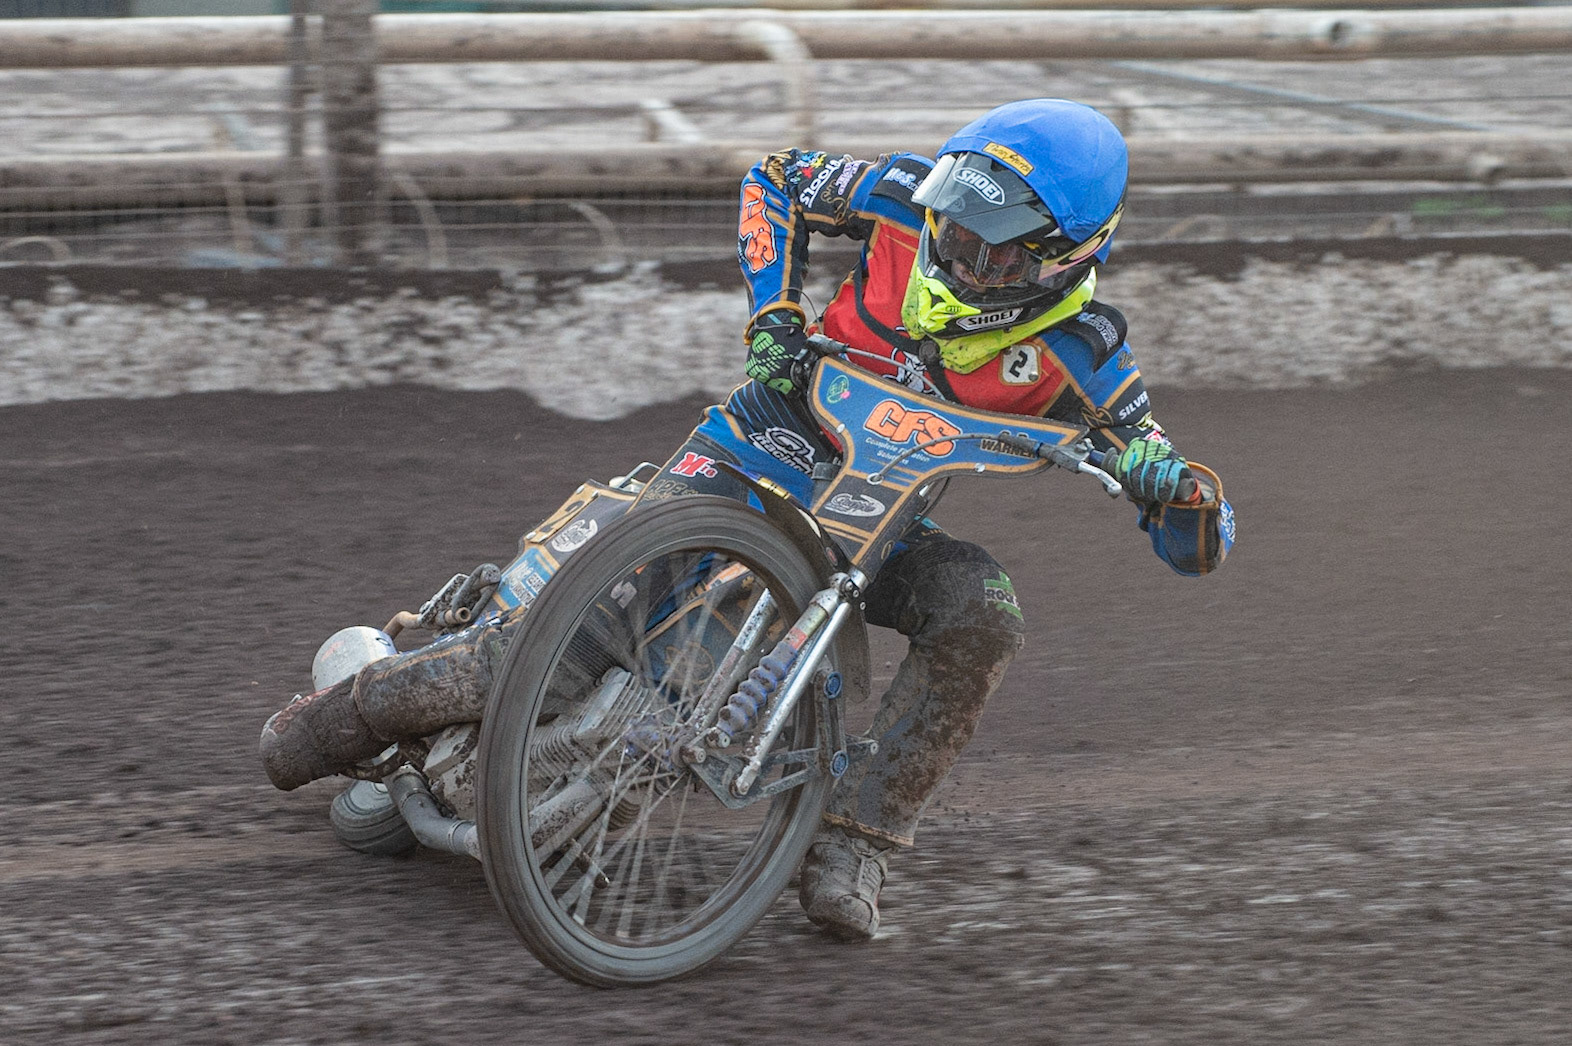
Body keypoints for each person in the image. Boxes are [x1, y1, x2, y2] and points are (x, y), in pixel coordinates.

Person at [260, 98, 1234, 943]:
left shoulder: (1088, 352)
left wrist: (1170, 486)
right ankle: (334, 720)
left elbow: (1198, 544)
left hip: (871, 523)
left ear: (1066, 256)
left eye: (992, 245)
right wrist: (774, 313)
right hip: (752, 451)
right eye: (953, 221)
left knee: (984, 608)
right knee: (547, 648)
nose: (960, 249)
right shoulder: (897, 190)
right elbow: (775, 178)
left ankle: (858, 845)